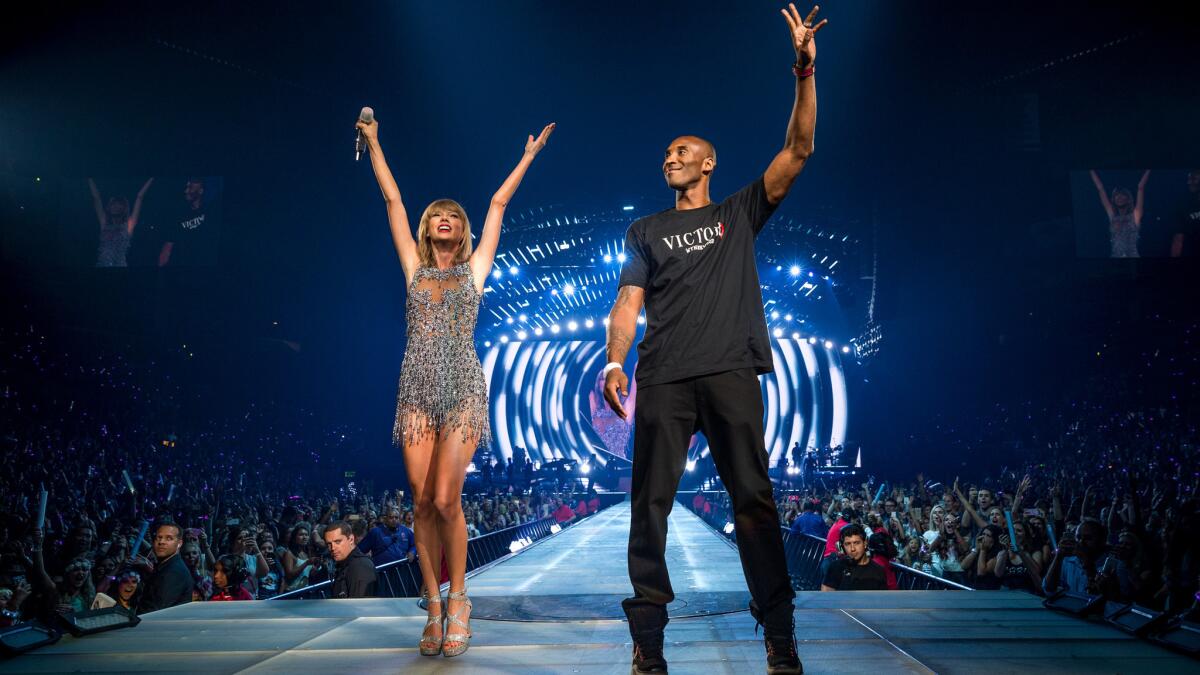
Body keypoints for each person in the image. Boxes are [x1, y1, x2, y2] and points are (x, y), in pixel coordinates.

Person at [601, 6, 825, 673]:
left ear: (708, 163)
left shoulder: (738, 213)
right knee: (650, 508)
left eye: (683, 150)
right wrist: (615, 359)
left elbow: (799, 150)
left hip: (729, 370)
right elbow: (627, 301)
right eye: (667, 152)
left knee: (752, 499)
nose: (670, 156)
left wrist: (804, 70)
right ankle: (649, 641)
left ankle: (779, 635)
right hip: (664, 376)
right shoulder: (644, 230)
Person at [357, 110, 554, 659]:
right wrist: (374, 141)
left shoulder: (476, 270)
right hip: (415, 388)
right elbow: (394, 201)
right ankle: (434, 602)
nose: (444, 217)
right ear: (427, 227)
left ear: (462, 229)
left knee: (447, 499)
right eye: (437, 214)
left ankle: (461, 596)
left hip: (464, 385)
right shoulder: (412, 269)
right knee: (420, 501)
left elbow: (497, 204)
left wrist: (528, 157)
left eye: (452, 215)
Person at [88, 177, 152, 267]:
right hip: (102, 264)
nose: (115, 207)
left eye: (118, 206)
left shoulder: (129, 225)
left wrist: (152, 178)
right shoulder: (104, 223)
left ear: (123, 209)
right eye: (113, 205)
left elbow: (140, 197)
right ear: (109, 207)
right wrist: (89, 177)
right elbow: (96, 198)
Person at [158, 178, 219, 266]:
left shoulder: (211, 211)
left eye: (190, 187)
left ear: (201, 191)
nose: (186, 191)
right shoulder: (178, 216)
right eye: (186, 187)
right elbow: (167, 248)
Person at [1089, 169, 1150, 258]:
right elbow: (1100, 188)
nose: (1119, 197)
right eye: (1116, 195)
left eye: (1122, 195)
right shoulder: (1112, 216)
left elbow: (1140, 187)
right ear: (1113, 200)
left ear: (1128, 199)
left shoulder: (1135, 215)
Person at [136, 523, 193, 613]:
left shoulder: (174, 572)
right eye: (159, 537)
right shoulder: (165, 566)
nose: (161, 542)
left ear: (179, 543)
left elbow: (158, 611)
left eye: (169, 538)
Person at [820, 525, 887, 591]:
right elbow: (826, 598)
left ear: (865, 543)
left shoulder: (879, 571)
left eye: (857, 543)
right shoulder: (836, 567)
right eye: (848, 544)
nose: (852, 549)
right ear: (842, 547)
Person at [325, 521, 377, 599]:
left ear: (351, 539)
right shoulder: (346, 564)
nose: (332, 548)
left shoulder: (360, 566)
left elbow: (359, 606)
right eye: (329, 544)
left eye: (337, 542)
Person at [1170, 169, 1200, 257]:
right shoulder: (1184, 205)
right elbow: (1178, 239)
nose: (1189, 182)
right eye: (1189, 179)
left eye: (1194, 178)